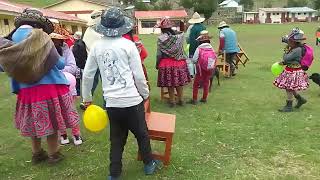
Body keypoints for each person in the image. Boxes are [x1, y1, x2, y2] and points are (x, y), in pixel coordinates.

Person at [81, 7, 160, 179]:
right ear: (121, 25)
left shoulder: (96, 46)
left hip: (112, 103)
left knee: (116, 140)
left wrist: (86, 99)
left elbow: (87, 75)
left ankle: (114, 174)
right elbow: (138, 75)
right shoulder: (128, 45)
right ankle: (148, 164)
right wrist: (145, 93)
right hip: (132, 101)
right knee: (142, 134)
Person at [0, 8, 79, 164]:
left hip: (26, 90)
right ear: (38, 25)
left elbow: (4, 66)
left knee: (33, 123)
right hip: (49, 88)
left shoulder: (10, 40)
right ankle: (54, 154)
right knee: (53, 123)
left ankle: (37, 154)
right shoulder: (40, 37)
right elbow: (60, 63)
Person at [49, 31, 82, 145]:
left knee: (71, 110)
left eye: (58, 40)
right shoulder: (46, 51)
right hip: (53, 87)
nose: (56, 42)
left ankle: (76, 134)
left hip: (68, 85)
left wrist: (57, 72)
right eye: (53, 40)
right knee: (57, 112)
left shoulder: (67, 50)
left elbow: (72, 67)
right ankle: (63, 134)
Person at [156, 17, 191, 107]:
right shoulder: (179, 37)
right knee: (179, 83)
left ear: (162, 28)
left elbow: (159, 54)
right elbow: (181, 49)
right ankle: (181, 100)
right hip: (179, 62)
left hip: (166, 63)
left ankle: (172, 101)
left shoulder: (161, 39)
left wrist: (157, 64)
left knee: (169, 83)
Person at [274, 28, 309, 112]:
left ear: (294, 42)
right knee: (290, 87)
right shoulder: (296, 47)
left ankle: (289, 106)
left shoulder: (297, 50)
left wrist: (286, 49)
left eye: (290, 41)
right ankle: (300, 99)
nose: (288, 42)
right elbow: (291, 60)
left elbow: (286, 58)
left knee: (289, 88)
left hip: (294, 72)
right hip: (291, 69)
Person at [80, 10, 104, 110]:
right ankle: (87, 101)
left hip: (96, 60)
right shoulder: (92, 32)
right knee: (96, 81)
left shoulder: (91, 31)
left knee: (94, 81)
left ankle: (87, 101)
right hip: (95, 60)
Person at [189, 30, 216, 105]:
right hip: (209, 68)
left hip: (200, 69)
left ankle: (194, 99)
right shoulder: (211, 48)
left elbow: (194, 60)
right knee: (206, 83)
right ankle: (204, 98)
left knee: (196, 84)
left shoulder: (199, 48)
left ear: (200, 41)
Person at [72, 32, 88, 97]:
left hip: (77, 65)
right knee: (84, 80)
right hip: (83, 64)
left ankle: (78, 93)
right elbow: (85, 54)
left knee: (77, 80)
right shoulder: (83, 43)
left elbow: (75, 55)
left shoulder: (76, 45)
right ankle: (86, 92)